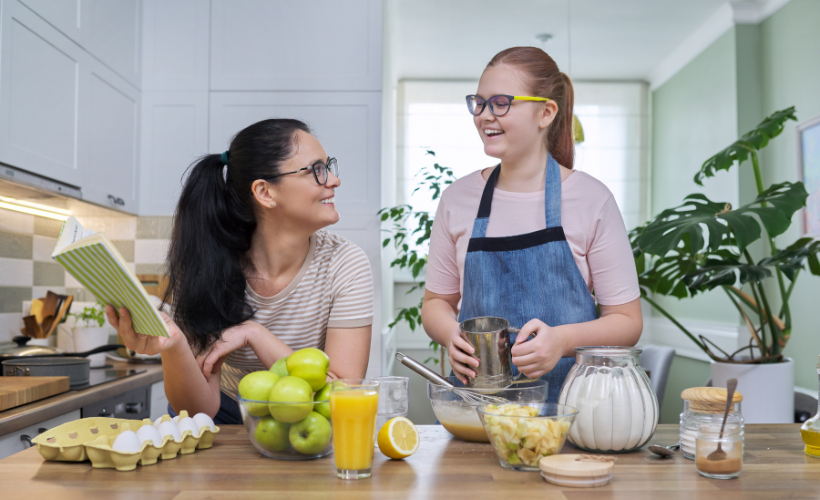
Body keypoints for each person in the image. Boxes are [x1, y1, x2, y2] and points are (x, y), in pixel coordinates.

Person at [106, 119, 374, 424]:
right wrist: (174, 344)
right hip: (222, 420)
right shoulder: (208, 261)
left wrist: (254, 334)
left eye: (329, 167)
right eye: (317, 170)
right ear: (265, 192)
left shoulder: (345, 263)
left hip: (308, 418)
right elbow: (199, 409)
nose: (334, 180)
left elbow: (343, 395)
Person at [421, 47, 642, 403]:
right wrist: (451, 334)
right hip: (474, 416)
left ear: (546, 112)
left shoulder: (592, 199)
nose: (484, 115)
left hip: (571, 418)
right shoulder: (457, 199)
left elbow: (628, 322)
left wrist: (562, 342)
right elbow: (435, 303)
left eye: (501, 102)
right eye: (479, 102)